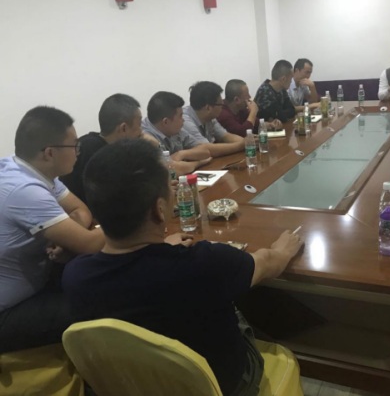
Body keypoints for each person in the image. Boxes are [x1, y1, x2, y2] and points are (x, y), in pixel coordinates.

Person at [62, 138, 303, 396]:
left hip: (132, 386)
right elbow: (266, 264)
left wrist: (161, 247)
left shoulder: (75, 276)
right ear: (159, 209)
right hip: (223, 386)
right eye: (170, 186)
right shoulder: (204, 263)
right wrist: (283, 249)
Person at [0, 106, 104, 354]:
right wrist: (134, 215)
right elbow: (89, 244)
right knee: (102, 304)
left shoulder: (28, 169)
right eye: (74, 146)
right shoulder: (24, 190)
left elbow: (80, 210)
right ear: (49, 153)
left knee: (95, 277)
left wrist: (66, 235)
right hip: (9, 311)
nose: (78, 153)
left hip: (38, 280)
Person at [60, 93, 143, 204]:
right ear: (123, 128)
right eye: (139, 124)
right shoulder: (95, 153)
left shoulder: (100, 145)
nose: (141, 131)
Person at [141, 91, 212, 174]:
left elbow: (205, 152)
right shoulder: (146, 139)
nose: (183, 120)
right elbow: (173, 170)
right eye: (180, 116)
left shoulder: (175, 129)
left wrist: (182, 154)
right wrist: (199, 163)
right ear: (166, 122)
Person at [182, 81, 245, 157]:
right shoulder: (185, 121)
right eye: (220, 104)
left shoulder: (210, 117)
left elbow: (225, 136)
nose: (222, 107)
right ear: (208, 108)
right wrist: (240, 146)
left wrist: (247, 142)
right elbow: (207, 150)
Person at [217, 79, 282, 137]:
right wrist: (253, 112)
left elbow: (256, 124)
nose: (250, 97)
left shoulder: (241, 109)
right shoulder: (222, 114)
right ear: (237, 100)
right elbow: (243, 133)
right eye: (247, 95)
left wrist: (270, 125)